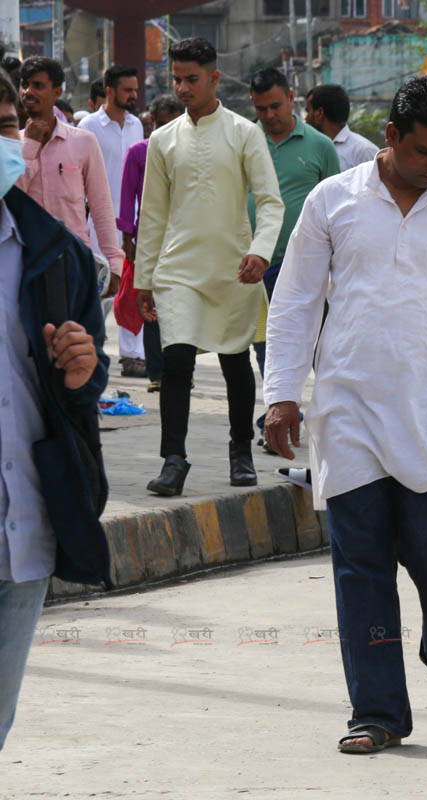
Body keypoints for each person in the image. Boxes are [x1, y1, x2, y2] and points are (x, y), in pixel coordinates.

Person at [263, 75, 427, 753]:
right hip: (348, 410)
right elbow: (294, 304)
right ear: (393, 137)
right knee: (361, 562)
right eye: (424, 153)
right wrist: (281, 391)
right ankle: (376, 711)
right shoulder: (331, 202)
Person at [0, 71, 110, 750]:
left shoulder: (56, 254)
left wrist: (82, 372)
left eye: (6, 123)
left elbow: (77, 396)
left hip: (23, 523)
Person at [134, 38, 283, 497]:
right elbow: (153, 214)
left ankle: (240, 450)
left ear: (214, 78)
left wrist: (259, 251)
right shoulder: (162, 139)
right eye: (175, 78)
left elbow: (271, 202)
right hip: (177, 270)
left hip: (234, 268)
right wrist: (143, 280)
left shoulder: (243, 132)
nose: (181, 87)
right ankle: (173, 460)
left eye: (191, 79)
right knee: (176, 360)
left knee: (235, 361)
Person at [248, 67, 340, 379]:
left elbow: (335, 210)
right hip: (256, 265)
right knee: (267, 347)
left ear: (290, 98)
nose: (269, 115)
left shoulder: (320, 146)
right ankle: (279, 415)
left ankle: (332, 415)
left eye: (275, 106)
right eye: (261, 109)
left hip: (304, 265)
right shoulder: (244, 142)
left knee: (318, 345)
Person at [16, 57, 124, 301]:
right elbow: (12, 197)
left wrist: (114, 265)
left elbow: (101, 206)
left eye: (37, 85)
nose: (28, 92)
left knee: (78, 336)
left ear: (57, 91)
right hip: (25, 263)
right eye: (24, 85)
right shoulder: (11, 146)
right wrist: (30, 144)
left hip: (74, 260)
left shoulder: (83, 141)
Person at [79, 64, 145, 379]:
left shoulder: (136, 126)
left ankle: (133, 356)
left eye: (135, 89)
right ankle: (90, 349)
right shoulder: (88, 126)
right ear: (109, 91)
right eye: (127, 90)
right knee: (99, 286)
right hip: (96, 221)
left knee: (131, 287)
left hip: (131, 222)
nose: (134, 95)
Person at [117, 95, 184, 394]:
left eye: (171, 123)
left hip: (185, 238)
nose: (164, 129)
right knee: (151, 305)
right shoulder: (139, 153)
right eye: (160, 123)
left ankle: (182, 371)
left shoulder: (190, 153)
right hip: (150, 239)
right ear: (151, 124)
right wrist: (127, 236)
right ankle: (157, 373)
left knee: (182, 306)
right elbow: (127, 196)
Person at [304, 83, 378, 172]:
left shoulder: (363, 150)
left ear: (320, 113)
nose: (306, 118)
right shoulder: (311, 148)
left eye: (308, 111)